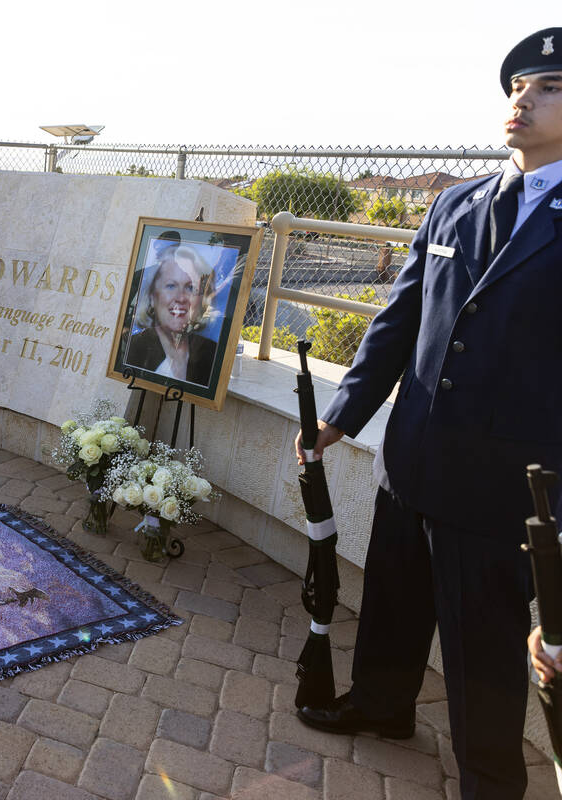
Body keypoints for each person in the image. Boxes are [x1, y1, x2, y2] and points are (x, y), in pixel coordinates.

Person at [294, 28, 562, 799]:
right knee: (392, 604)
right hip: (412, 458)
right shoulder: (456, 203)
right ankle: (382, 707)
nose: (524, 99)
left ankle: (487, 779)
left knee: (484, 649)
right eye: (519, 87)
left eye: (549, 88)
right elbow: (399, 321)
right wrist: (341, 417)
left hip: (503, 484)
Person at [125, 245, 218, 386]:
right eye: (170, 286)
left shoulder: (211, 353)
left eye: (190, 287)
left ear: (201, 299)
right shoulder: (132, 349)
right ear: (152, 295)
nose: (181, 298)